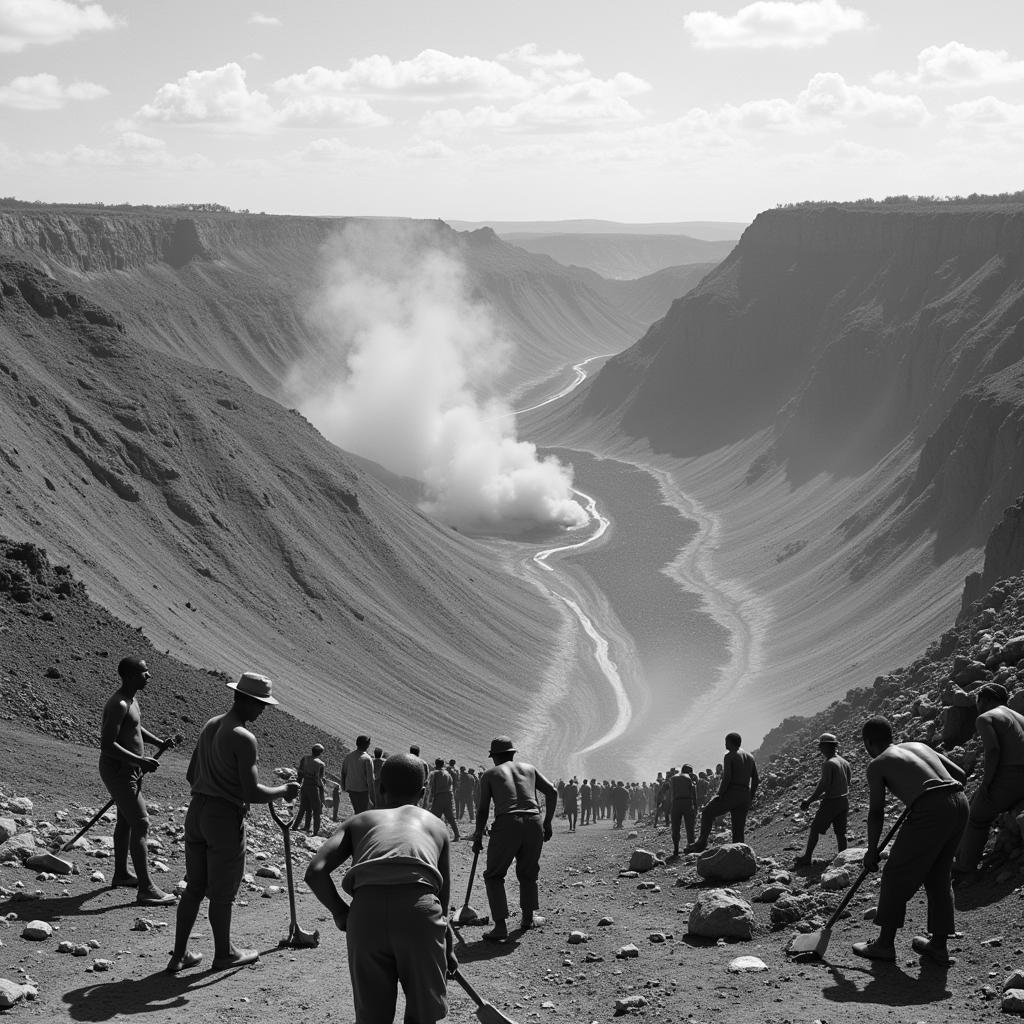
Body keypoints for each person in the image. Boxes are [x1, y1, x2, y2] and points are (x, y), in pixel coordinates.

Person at [305, 754, 456, 1024]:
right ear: (422, 793)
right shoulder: (436, 825)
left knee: (372, 1016)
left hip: (366, 915)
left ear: (380, 789)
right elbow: (442, 898)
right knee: (424, 1013)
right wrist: (447, 945)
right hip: (419, 913)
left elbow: (315, 872)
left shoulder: (359, 821)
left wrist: (341, 913)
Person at [166, 672, 300, 974]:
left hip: (197, 811)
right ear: (250, 701)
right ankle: (224, 953)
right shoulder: (243, 737)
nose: (263, 711)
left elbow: (191, 774)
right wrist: (284, 791)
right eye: (262, 705)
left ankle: (180, 955)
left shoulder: (211, 725)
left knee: (194, 887)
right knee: (223, 893)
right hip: (223, 817)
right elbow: (251, 792)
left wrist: (213, 784)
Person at [852, 716, 968, 966]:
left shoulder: (877, 763)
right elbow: (960, 774)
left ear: (868, 743)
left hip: (931, 810)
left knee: (895, 873)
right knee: (939, 874)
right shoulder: (918, 746)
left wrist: (871, 851)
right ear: (891, 736)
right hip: (959, 801)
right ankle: (938, 946)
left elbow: (876, 812)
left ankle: (884, 945)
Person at [99, 656, 176, 905]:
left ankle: (121, 874)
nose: (149, 676)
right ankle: (146, 889)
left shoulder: (131, 700)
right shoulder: (118, 703)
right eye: (144, 672)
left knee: (126, 821)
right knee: (141, 822)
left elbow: (135, 728)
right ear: (131, 676)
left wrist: (157, 742)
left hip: (131, 770)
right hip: (119, 771)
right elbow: (107, 745)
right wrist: (140, 761)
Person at [473, 736, 557, 942]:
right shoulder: (529, 769)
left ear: (494, 757)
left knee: (494, 875)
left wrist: (478, 835)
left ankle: (500, 927)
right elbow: (552, 791)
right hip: (534, 821)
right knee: (528, 872)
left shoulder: (489, 774)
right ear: (512, 753)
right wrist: (547, 823)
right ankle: (528, 919)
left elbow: (483, 808)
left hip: (507, 823)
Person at [953, 683, 1024, 876]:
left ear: (985, 699)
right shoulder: (1019, 716)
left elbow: (993, 750)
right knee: (975, 799)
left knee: (976, 818)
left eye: (977, 700)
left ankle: (965, 865)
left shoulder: (985, 718)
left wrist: (986, 783)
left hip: (1011, 778)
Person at [686, 733, 759, 852]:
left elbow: (727, 778)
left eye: (726, 741)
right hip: (744, 794)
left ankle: (701, 843)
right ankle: (739, 854)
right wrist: (750, 796)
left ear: (731, 742)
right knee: (738, 829)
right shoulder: (750, 757)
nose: (725, 744)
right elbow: (755, 779)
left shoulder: (729, 756)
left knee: (707, 813)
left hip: (732, 792)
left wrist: (719, 794)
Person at [794, 733, 852, 866]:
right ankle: (844, 858)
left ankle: (807, 858)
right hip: (843, 801)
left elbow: (823, 786)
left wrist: (809, 801)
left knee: (815, 828)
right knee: (840, 832)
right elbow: (847, 783)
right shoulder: (844, 762)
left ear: (826, 746)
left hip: (831, 803)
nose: (820, 750)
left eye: (821, 746)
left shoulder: (829, 764)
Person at [294, 743, 326, 835]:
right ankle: (315, 832)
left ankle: (297, 827)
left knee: (304, 808)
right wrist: (322, 792)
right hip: (314, 788)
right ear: (320, 753)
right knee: (316, 810)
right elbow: (319, 780)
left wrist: (297, 785)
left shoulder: (305, 758)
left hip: (305, 786)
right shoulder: (321, 764)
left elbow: (300, 773)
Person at [427, 757, 461, 840]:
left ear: (436, 764)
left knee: (434, 817)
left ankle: (431, 837)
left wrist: (430, 798)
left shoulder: (434, 773)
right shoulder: (447, 773)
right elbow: (451, 783)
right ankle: (457, 835)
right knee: (450, 816)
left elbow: (432, 786)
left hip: (439, 796)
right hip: (449, 795)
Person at [669, 763, 698, 857]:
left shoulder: (673, 778)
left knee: (675, 828)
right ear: (689, 771)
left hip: (676, 803)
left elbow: (671, 793)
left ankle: (676, 850)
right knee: (690, 827)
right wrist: (695, 807)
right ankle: (691, 847)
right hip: (687, 803)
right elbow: (693, 793)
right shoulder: (689, 778)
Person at [342, 735, 376, 814]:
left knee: (357, 811)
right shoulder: (367, 759)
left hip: (351, 789)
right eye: (369, 743)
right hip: (362, 791)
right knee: (363, 814)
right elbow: (370, 780)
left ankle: (355, 824)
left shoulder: (349, 756)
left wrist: (344, 788)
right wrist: (373, 799)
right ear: (366, 745)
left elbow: (343, 772)